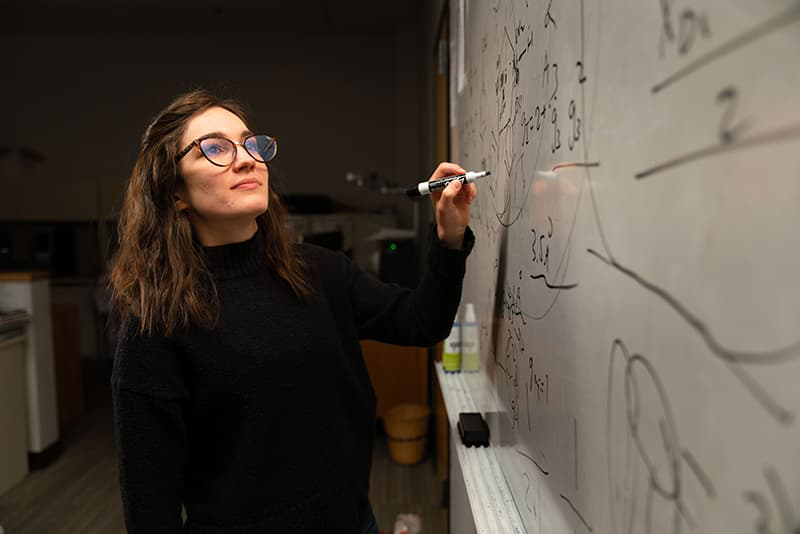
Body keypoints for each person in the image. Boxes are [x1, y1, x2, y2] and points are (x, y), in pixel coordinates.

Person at [108, 88, 476, 533]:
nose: (247, 159)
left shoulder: (321, 272)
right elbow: (149, 504)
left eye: (250, 144)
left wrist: (450, 238)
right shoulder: (156, 320)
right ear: (174, 194)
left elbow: (423, 322)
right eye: (216, 148)